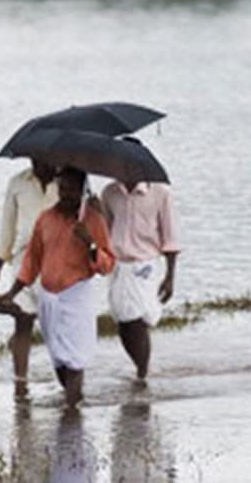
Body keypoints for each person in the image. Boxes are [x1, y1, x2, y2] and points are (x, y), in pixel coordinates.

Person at [0, 166, 115, 407]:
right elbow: (31, 261)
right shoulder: (46, 218)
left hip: (76, 296)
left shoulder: (92, 219)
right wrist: (11, 293)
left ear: (82, 190)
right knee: (60, 360)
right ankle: (74, 400)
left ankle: (71, 408)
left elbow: (107, 265)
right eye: (63, 188)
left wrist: (90, 243)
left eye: (73, 189)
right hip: (48, 297)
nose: (67, 194)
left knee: (75, 359)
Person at [0, 157, 59, 397]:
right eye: (33, 155)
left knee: (55, 324)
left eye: (42, 154)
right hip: (24, 258)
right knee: (23, 319)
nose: (37, 160)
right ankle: (20, 381)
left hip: (57, 259)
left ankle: (66, 376)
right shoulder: (18, 183)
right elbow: (7, 227)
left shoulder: (68, 182)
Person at [100, 163, 180, 385]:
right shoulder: (109, 193)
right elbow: (106, 230)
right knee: (122, 320)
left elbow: (170, 236)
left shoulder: (160, 192)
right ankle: (141, 368)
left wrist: (170, 276)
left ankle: (142, 373)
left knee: (134, 318)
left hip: (144, 262)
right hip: (118, 264)